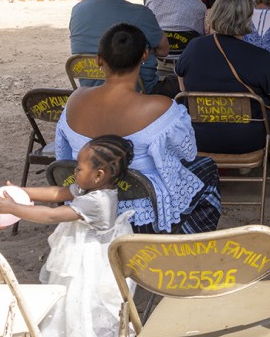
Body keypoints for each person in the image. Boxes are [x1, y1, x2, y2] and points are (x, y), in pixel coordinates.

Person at [0, 137, 135, 337]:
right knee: (93, 309)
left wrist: (14, 208)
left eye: (79, 167)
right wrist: (22, 193)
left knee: (76, 314)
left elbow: (53, 214)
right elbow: (57, 193)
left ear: (98, 175)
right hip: (88, 258)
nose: (74, 171)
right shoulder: (91, 188)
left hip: (85, 265)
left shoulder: (98, 201)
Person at [55, 23, 221, 235]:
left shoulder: (75, 100)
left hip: (88, 203)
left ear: (99, 59)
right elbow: (187, 153)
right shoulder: (161, 107)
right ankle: (178, 244)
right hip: (143, 212)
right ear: (144, 56)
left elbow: (63, 156)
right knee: (206, 168)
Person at [177, 0, 270, 151]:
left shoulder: (193, 47)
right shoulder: (260, 57)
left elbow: (183, 89)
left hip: (199, 134)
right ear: (248, 18)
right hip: (247, 137)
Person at [69, 0, 171, 95]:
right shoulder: (141, 14)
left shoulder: (78, 11)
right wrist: (149, 50)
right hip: (140, 93)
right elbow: (164, 50)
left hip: (91, 93)